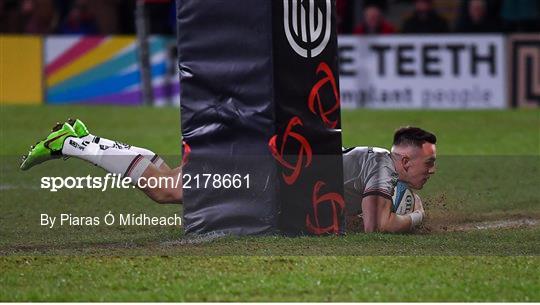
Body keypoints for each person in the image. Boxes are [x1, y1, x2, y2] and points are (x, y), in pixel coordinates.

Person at [20, 120, 434, 233]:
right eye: (427, 162)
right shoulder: (381, 164)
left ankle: (81, 139)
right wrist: (416, 217)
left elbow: (353, 217)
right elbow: (377, 227)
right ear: (404, 158)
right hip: (258, 169)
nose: (431, 169)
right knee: (167, 189)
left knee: (166, 183)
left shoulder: (378, 166)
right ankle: (72, 143)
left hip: (263, 168)